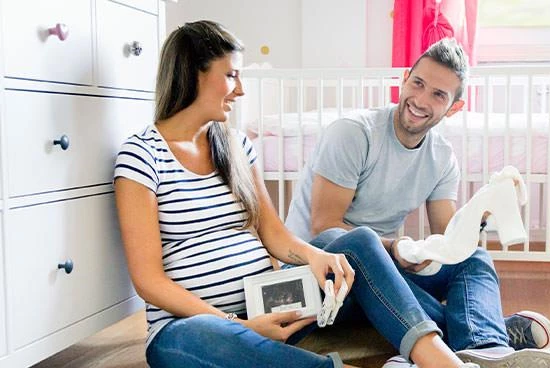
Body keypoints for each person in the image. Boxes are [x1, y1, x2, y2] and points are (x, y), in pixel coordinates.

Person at [113, 21, 493, 368]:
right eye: (231, 75)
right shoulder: (143, 156)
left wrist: (318, 257)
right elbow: (149, 280)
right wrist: (242, 324)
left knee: (353, 242)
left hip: (272, 299)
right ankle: (469, 341)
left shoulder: (237, 147)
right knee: (192, 340)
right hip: (197, 324)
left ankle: (444, 360)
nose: (241, 89)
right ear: (191, 74)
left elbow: (274, 235)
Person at [285, 38, 550, 368]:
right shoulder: (354, 134)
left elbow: (450, 242)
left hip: (383, 269)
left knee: (474, 258)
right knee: (364, 243)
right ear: (404, 78)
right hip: (322, 272)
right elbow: (325, 227)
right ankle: (487, 333)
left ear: (453, 107)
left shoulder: (441, 157)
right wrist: (394, 248)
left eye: (438, 95)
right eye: (418, 83)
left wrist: (480, 213)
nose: (420, 100)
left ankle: (487, 348)